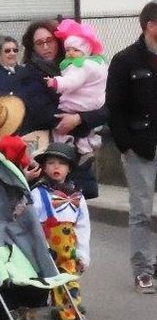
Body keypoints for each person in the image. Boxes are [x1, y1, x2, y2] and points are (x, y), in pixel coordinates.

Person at [19, 19, 107, 198]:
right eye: (39, 43)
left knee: (76, 211)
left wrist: (79, 119)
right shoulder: (29, 74)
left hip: (77, 151)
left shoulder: (82, 66)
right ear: (32, 47)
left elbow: (105, 109)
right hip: (45, 151)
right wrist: (67, 118)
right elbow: (39, 112)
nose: (45, 47)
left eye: (49, 40)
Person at [106, 0, 157, 293]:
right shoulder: (126, 60)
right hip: (141, 146)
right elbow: (114, 106)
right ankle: (142, 270)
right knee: (141, 211)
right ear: (150, 26)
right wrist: (125, 145)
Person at [30, 142, 90, 320]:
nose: (56, 167)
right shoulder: (37, 193)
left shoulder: (77, 197)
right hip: (42, 249)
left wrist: (83, 253)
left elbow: (82, 227)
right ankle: (31, 319)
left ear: (69, 168)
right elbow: (29, 222)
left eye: (61, 164)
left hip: (67, 252)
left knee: (69, 285)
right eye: (51, 163)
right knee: (37, 287)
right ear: (44, 167)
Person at [47, 19, 108, 159]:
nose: (70, 53)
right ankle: (85, 147)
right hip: (89, 107)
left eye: (50, 41)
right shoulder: (96, 64)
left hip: (76, 107)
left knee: (64, 134)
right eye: (68, 50)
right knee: (85, 135)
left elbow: (71, 81)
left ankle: (80, 148)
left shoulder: (80, 66)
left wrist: (55, 82)